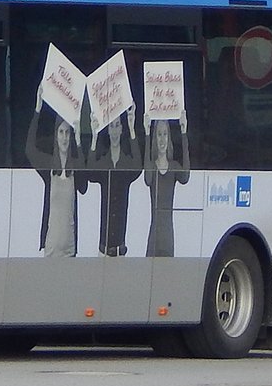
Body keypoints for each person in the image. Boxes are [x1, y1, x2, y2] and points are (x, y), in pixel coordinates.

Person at [26, 84, 88, 258]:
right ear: (56, 135)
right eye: (61, 132)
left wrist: (78, 142)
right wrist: (37, 110)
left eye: (67, 133)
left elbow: (83, 187)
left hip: (70, 248)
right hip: (51, 246)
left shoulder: (74, 166)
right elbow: (29, 150)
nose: (64, 137)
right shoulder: (48, 167)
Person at [86, 102, 143, 257]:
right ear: (108, 131)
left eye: (117, 125)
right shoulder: (104, 163)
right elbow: (90, 173)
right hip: (102, 249)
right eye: (111, 126)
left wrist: (132, 128)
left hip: (121, 249)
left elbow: (138, 167)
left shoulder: (126, 163)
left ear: (121, 129)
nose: (115, 130)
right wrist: (94, 135)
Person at [144, 111, 191, 258]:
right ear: (155, 139)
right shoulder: (151, 166)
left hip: (168, 237)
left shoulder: (174, 166)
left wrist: (184, 132)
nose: (162, 139)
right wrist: (146, 133)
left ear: (168, 137)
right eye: (159, 134)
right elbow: (147, 179)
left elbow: (185, 176)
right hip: (154, 237)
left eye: (165, 134)